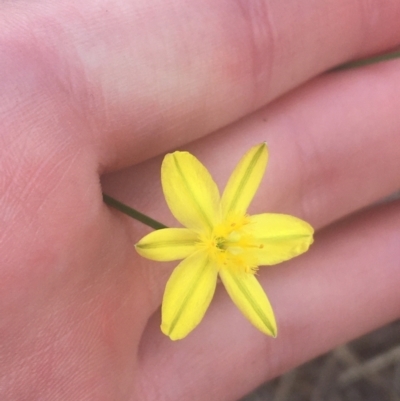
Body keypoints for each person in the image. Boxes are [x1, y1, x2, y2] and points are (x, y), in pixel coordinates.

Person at [1, 1, 400, 400]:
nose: (227, 244)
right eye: (228, 243)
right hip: (197, 244)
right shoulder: (199, 231)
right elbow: (179, 178)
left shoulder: (234, 264)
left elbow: (271, 259)